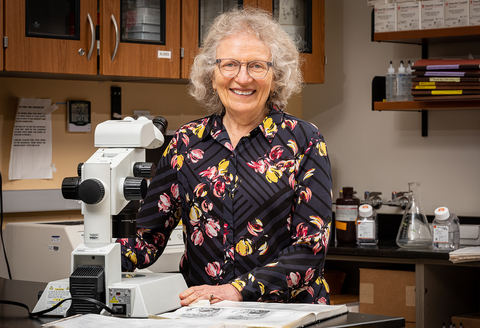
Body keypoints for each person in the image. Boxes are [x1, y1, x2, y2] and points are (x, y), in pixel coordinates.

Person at [117, 7, 332, 305]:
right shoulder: (186, 142)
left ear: (276, 75)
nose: (242, 78)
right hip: (205, 314)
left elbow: (311, 248)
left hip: (287, 313)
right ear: (212, 73)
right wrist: (96, 262)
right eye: (229, 64)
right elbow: (146, 239)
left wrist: (238, 290)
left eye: (257, 66)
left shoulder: (304, 140)